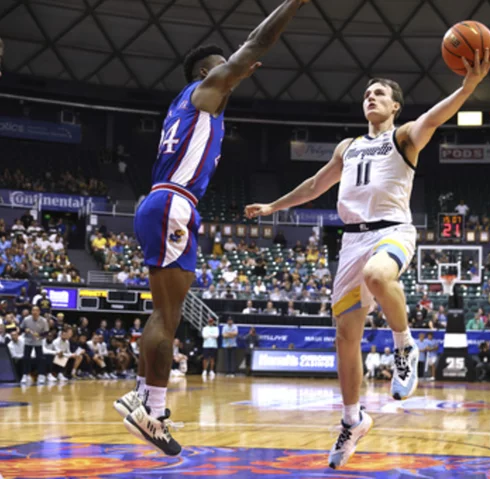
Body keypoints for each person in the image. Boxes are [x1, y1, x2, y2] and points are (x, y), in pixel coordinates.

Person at [245, 46, 490, 470]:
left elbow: (434, 117)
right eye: (367, 94)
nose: (371, 98)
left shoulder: (403, 137)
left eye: (379, 94)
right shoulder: (348, 146)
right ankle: (352, 419)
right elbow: (314, 184)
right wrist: (273, 207)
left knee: (380, 276)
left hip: (393, 231)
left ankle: (405, 346)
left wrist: (467, 87)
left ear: (395, 106)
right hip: (351, 241)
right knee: (345, 337)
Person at [114, 0, 310, 456]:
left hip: (164, 203)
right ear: (207, 71)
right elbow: (257, 43)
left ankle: (144, 398)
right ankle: (153, 412)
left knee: (163, 313)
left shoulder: (190, 107)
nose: (237, 72)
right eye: (227, 68)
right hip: (172, 203)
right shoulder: (204, 91)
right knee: (169, 317)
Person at [20, 306, 49, 385]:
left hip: (38, 341)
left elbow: (46, 332)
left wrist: (39, 335)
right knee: (26, 357)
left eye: (36, 310)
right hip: (28, 341)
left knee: (40, 358)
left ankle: (41, 375)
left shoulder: (43, 321)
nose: (35, 312)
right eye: (33, 310)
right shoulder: (26, 319)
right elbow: (21, 328)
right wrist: (25, 330)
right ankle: (25, 375)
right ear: (31, 312)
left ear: (39, 312)